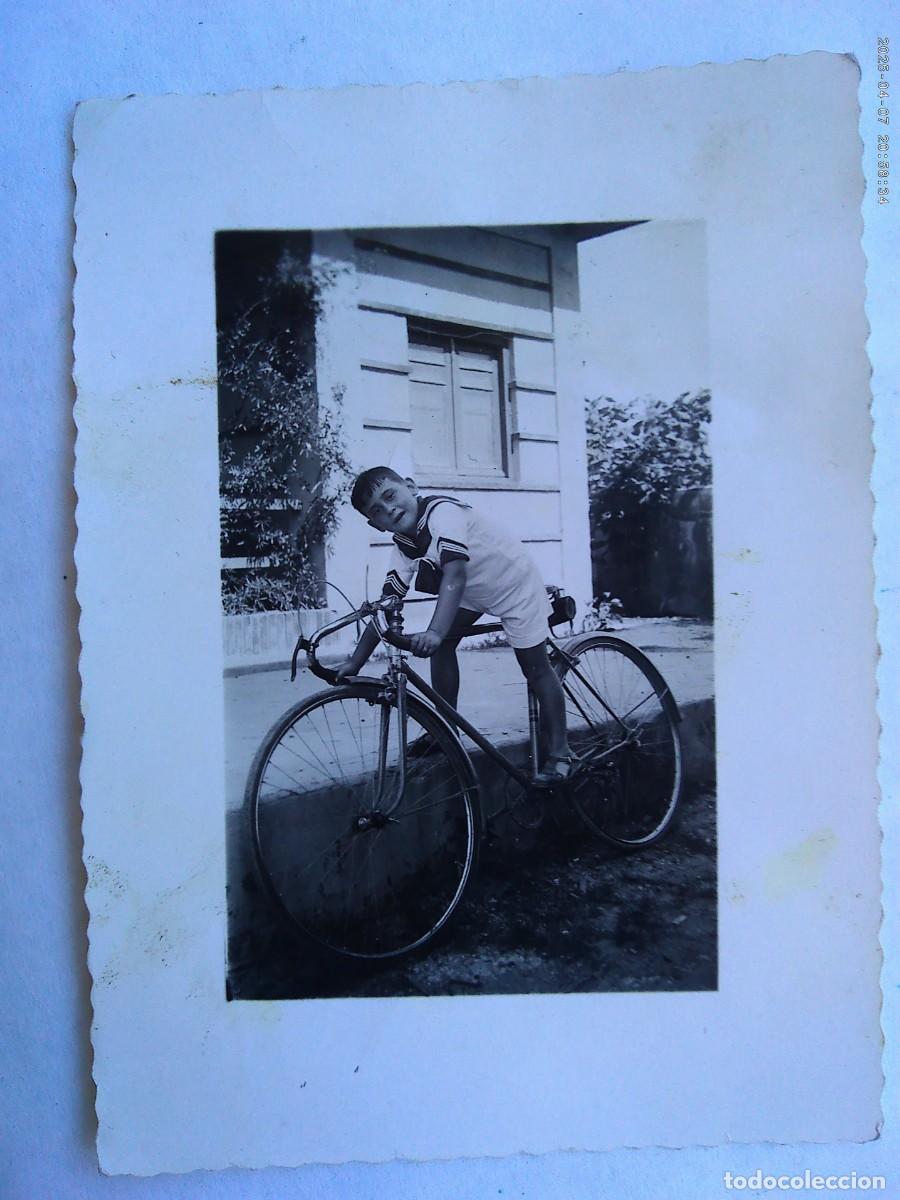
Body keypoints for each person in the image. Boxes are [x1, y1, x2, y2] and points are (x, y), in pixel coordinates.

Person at [334, 466, 573, 785]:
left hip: (514, 582)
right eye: (377, 510)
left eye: (390, 496)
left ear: (410, 485)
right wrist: (355, 662)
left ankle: (561, 752)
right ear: (373, 525)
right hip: (474, 591)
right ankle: (446, 730)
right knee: (444, 645)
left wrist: (434, 631)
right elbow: (386, 605)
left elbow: (455, 574)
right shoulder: (403, 546)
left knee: (535, 668)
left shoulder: (442, 513)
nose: (389, 509)